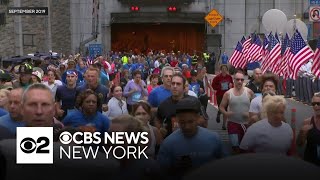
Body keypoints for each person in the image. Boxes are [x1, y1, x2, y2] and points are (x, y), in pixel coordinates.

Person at [157, 96, 223, 178]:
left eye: (191, 122)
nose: (187, 127)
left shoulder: (214, 139)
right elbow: (161, 173)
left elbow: (224, 166)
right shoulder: (168, 144)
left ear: (198, 117)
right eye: (182, 122)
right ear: (177, 119)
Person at [219, 71, 254, 154]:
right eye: (237, 79)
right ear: (233, 80)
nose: (240, 82)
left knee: (245, 148)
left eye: (242, 80)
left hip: (246, 124)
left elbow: (256, 106)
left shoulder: (249, 92)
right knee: (235, 148)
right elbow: (221, 107)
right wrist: (226, 113)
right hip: (233, 124)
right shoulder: (228, 93)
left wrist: (250, 114)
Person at [296, 92, 320, 166]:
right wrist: (302, 133)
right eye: (313, 104)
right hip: (311, 162)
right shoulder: (307, 122)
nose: (316, 106)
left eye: (318, 103)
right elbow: (299, 144)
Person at [211, 65, 233, 130]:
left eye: (225, 69)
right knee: (220, 107)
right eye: (223, 69)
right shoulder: (217, 77)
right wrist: (220, 87)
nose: (224, 70)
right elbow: (213, 86)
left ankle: (224, 125)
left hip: (227, 95)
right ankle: (219, 113)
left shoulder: (229, 77)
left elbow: (232, 85)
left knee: (225, 109)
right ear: (221, 70)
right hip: (220, 95)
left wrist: (231, 85)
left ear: (227, 70)